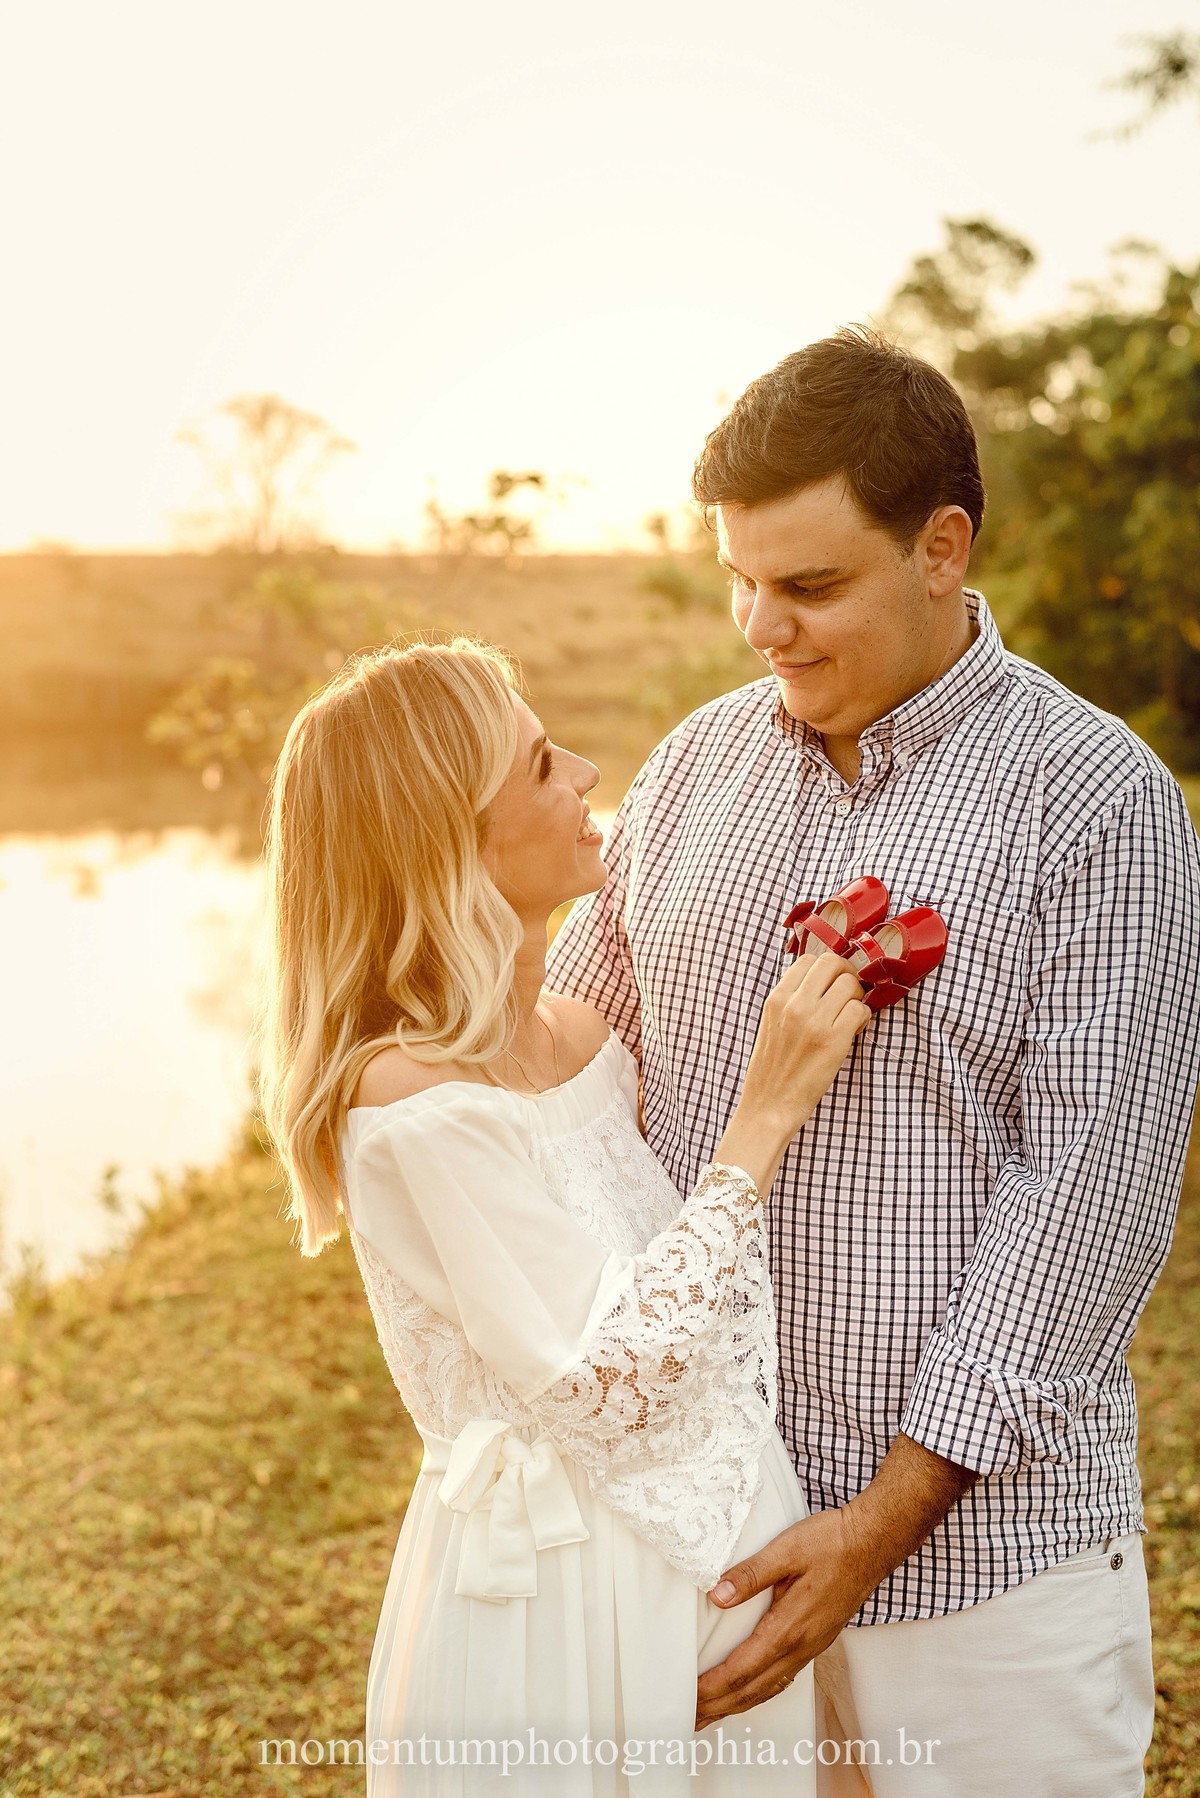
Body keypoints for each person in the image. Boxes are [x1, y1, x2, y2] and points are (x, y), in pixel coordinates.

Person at [545, 325, 1200, 1797]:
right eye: (741, 579)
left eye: (809, 585)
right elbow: (572, 1067)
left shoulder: (1099, 803)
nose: (760, 626)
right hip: (707, 1541)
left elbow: (1086, 1206)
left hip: (982, 1576)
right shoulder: (694, 767)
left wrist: (884, 1517)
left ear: (942, 546)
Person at [255, 635, 881, 1796]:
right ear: (451, 846)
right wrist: (767, 1110)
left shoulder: (582, 1039)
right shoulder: (414, 1109)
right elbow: (609, 1375)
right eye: (543, 766)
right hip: (563, 1595)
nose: (589, 773)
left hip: (718, 1555)